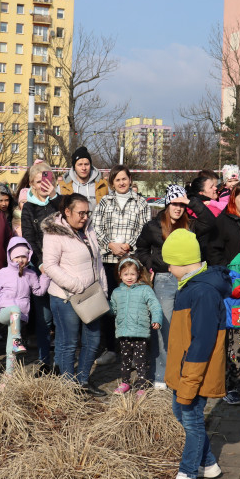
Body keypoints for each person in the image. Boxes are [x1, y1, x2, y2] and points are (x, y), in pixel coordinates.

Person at [161, 228, 228, 479]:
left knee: (191, 420)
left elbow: (202, 341)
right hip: (186, 369)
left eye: (169, 263)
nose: (167, 268)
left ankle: (187, 475)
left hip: (195, 371)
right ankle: (208, 463)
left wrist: (189, 380)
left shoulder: (202, 292)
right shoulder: (191, 287)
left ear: (181, 261)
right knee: (182, 413)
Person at [42, 193, 109, 396]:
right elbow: (50, 266)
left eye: (88, 213)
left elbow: (97, 261)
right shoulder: (54, 233)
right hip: (66, 298)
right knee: (68, 343)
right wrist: (77, 286)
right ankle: (68, 387)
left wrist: (103, 289)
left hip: (91, 296)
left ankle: (83, 381)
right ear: (67, 212)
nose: (85, 217)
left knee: (93, 340)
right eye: (81, 213)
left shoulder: (88, 229)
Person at [92, 165, 152, 368]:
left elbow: (146, 227)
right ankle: (111, 348)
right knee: (110, 306)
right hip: (108, 261)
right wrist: (110, 245)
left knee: (133, 306)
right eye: (117, 180)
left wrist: (129, 245)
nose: (121, 183)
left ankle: (135, 351)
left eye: (124, 179)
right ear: (112, 183)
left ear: (130, 179)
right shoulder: (105, 202)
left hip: (131, 262)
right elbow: (96, 227)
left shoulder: (141, 202)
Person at [136, 184, 192, 388]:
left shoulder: (190, 225)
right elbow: (141, 249)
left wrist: (191, 202)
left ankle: (182, 373)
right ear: (167, 204)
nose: (178, 208)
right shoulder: (153, 226)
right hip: (164, 280)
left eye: (182, 204)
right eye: (174, 203)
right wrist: (152, 265)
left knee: (185, 328)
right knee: (163, 329)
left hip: (187, 280)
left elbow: (210, 224)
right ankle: (161, 375)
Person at [214, 182, 240, 403]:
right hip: (232, 289)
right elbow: (214, 252)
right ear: (233, 199)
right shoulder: (223, 222)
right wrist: (230, 277)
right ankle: (231, 385)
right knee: (234, 339)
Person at [20, 162, 61, 367]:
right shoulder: (29, 207)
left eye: (47, 180)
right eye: (38, 182)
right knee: (44, 318)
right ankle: (44, 361)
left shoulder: (59, 202)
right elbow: (29, 238)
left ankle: (61, 362)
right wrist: (40, 263)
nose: (43, 185)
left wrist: (54, 197)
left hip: (62, 266)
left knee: (61, 317)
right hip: (41, 269)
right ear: (31, 184)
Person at [0, 237, 50, 379]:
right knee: (15, 310)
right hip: (4, 312)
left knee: (10, 346)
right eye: (17, 257)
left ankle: (9, 375)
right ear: (11, 257)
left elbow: (39, 291)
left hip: (19, 318)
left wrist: (45, 276)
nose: (20, 260)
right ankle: (18, 341)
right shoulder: (3, 273)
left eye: (23, 256)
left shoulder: (30, 274)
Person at [109, 257, 163, 394]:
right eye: (126, 274)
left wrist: (156, 319)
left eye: (132, 274)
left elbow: (155, 305)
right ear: (120, 275)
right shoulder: (116, 292)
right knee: (125, 360)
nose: (129, 277)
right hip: (123, 332)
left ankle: (142, 385)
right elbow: (113, 309)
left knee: (140, 361)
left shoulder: (145, 290)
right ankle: (125, 382)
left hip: (140, 332)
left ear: (138, 273)